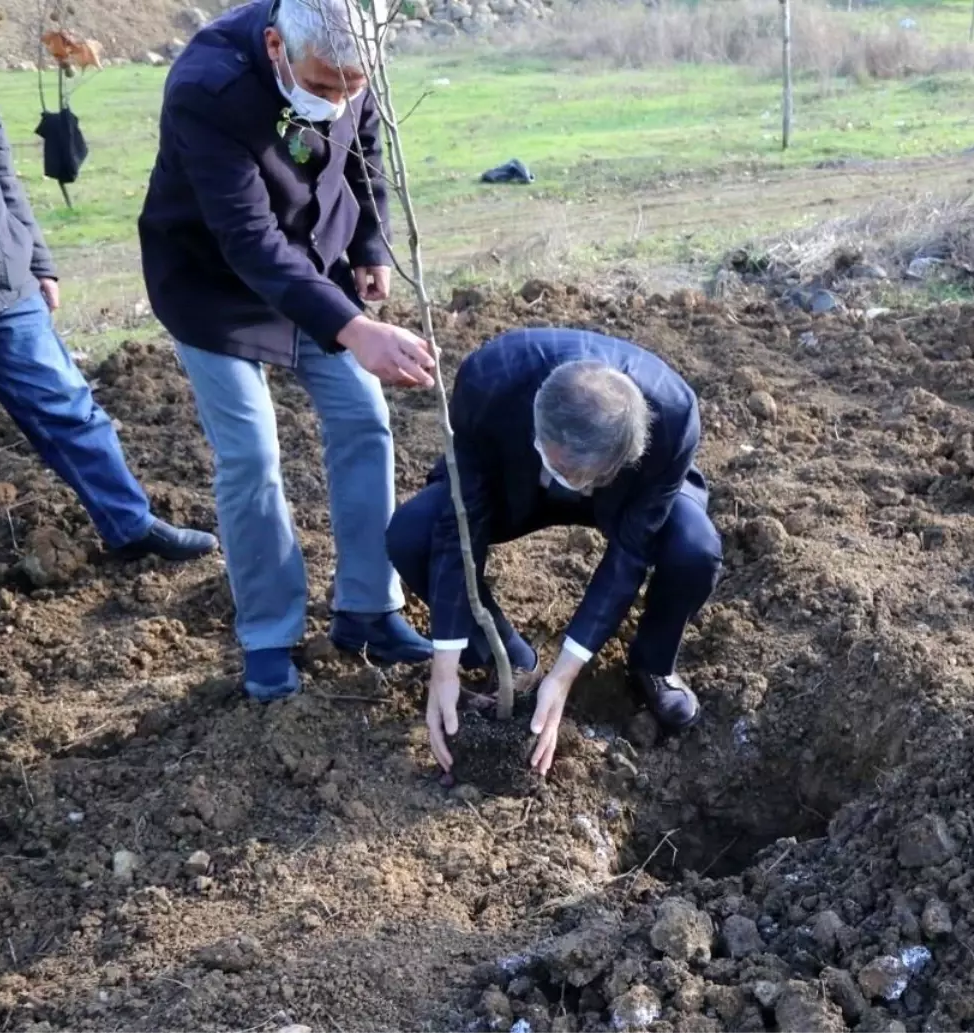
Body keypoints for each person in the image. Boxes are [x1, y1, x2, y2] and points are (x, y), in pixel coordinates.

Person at [138, 0, 436, 703]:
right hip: (214, 286)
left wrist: (367, 242)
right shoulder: (205, 90)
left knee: (365, 420)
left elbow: (365, 147)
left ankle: (368, 608)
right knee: (251, 454)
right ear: (275, 45)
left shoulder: (349, 65)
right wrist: (356, 329)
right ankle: (270, 634)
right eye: (325, 86)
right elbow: (250, 243)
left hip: (315, 268)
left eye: (352, 86)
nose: (338, 100)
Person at [385, 327, 724, 777]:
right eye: (567, 469)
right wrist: (443, 668)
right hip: (513, 481)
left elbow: (630, 553)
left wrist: (564, 675)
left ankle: (652, 664)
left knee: (694, 549)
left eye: (589, 477)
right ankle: (505, 657)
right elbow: (458, 526)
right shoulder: (490, 382)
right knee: (413, 533)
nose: (577, 486)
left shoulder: (674, 416)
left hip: (624, 501)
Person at [0, 104, 217, 564]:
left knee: (69, 410)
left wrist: (38, 259)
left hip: (4, 286)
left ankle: (130, 527)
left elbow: (3, 178)